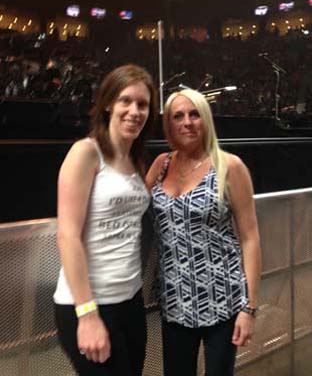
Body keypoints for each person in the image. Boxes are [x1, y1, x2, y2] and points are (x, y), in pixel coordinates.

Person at [146, 89, 261, 376]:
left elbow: (250, 238)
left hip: (223, 299)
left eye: (194, 114)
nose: (187, 122)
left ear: (205, 119)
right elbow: (131, 206)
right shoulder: (161, 165)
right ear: (169, 125)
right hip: (174, 301)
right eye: (178, 116)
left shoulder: (228, 166)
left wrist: (249, 308)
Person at [53, 64, 157, 376]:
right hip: (88, 304)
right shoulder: (86, 152)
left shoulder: (134, 160)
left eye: (143, 104)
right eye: (126, 100)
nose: (134, 111)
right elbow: (67, 236)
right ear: (108, 103)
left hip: (130, 299)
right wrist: (87, 314)